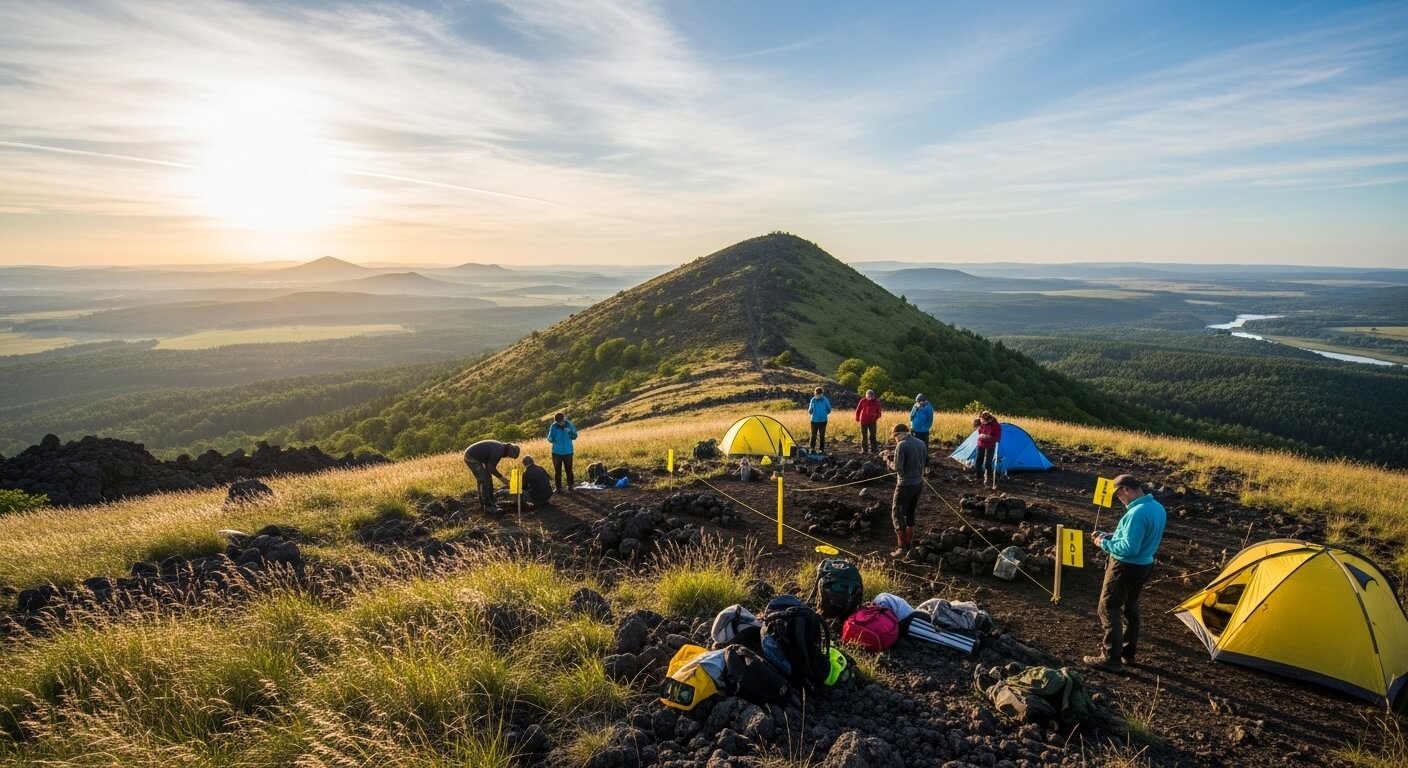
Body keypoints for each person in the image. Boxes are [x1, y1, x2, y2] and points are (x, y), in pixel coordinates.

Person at [1084, 474, 1167, 673]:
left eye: (1119, 494)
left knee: (1108, 607)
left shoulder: (1136, 513)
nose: (1119, 498)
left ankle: (1110, 657)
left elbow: (1129, 548)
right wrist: (1112, 536)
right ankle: (1127, 654)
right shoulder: (1157, 508)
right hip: (1144, 565)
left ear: (1127, 489)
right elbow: (1137, 538)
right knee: (1130, 607)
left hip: (1125, 567)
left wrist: (1103, 543)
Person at [886, 423, 927, 557]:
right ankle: (909, 543)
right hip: (919, 483)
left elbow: (897, 467)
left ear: (900, 434)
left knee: (897, 514)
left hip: (905, 484)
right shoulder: (921, 443)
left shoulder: (902, 445)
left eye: (895, 437)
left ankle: (901, 548)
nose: (895, 440)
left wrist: (887, 460)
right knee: (910, 512)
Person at [463, 439, 520, 513]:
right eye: (510, 456)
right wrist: (502, 478)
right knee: (484, 480)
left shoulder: (501, 447)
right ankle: (487, 506)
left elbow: (490, 465)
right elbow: (491, 468)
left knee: (488, 479)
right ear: (509, 452)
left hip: (480, 459)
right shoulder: (500, 450)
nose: (508, 457)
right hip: (471, 457)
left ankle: (491, 503)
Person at [547, 412, 579, 492]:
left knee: (569, 469)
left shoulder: (569, 425)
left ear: (563, 419)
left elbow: (574, 436)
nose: (559, 423)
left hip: (568, 451)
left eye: (560, 422)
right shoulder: (553, 426)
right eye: (558, 422)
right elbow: (549, 438)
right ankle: (558, 488)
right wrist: (552, 439)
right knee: (557, 471)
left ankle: (570, 486)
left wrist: (569, 432)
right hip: (556, 452)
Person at [974, 411, 1002, 485]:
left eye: (985, 421)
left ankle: (989, 478)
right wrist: (981, 435)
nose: (983, 422)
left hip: (990, 445)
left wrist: (989, 437)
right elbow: (979, 431)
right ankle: (978, 477)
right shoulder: (981, 423)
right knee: (978, 461)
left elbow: (997, 438)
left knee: (988, 463)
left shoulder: (996, 426)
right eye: (982, 420)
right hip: (981, 444)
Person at [854, 389, 883, 453]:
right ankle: (864, 450)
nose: (870, 397)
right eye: (869, 395)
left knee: (873, 435)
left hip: (872, 421)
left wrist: (876, 416)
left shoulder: (876, 402)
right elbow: (858, 410)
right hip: (863, 421)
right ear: (866, 395)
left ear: (873, 395)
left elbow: (879, 412)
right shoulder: (863, 401)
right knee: (864, 435)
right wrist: (857, 417)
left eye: (871, 395)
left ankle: (874, 449)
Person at [807, 386, 832, 452]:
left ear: (821, 394)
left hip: (823, 421)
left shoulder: (825, 399)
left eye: (818, 394)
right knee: (813, 435)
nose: (817, 395)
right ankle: (812, 449)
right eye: (816, 394)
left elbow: (829, 409)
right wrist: (810, 411)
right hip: (814, 420)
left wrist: (823, 414)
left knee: (822, 436)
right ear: (815, 393)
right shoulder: (813, 400)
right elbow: (810, 410)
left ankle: (821, 449)